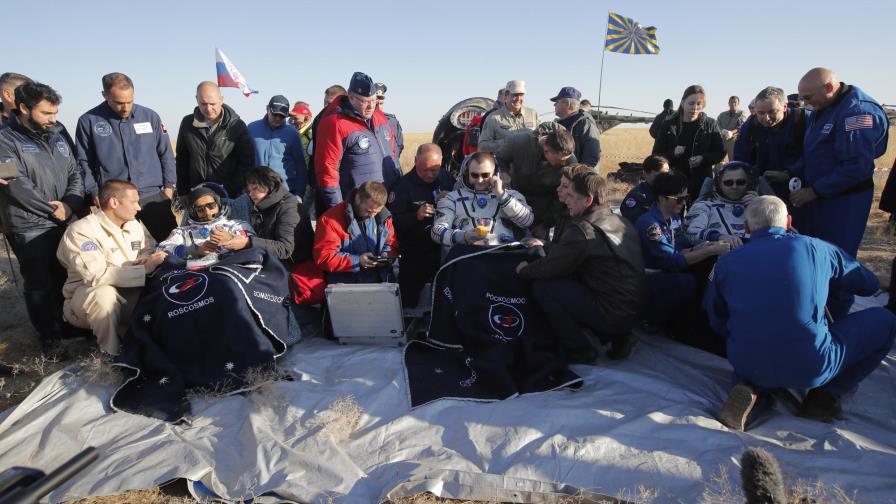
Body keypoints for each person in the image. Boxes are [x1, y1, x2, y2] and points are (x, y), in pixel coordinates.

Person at [706, 196, 896, 430]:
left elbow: (716, 316)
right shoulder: (815, 248)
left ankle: (753, 390)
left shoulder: (726, 262)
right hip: (811, 366)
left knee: (757, 349)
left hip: (745, 361)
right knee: (886, 321)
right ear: (788, 221)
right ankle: (824, 398)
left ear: (745, 228)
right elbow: (868, 285)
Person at [517, 172, 646, 362]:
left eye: (570, 196)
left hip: (613, 313)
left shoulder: (583, 229)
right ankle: (619, 337)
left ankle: (580, 349)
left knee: (544, 288)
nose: (566, 201)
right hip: (635, 310)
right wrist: (545, 244)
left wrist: (523, 270)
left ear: (588, 200)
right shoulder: (619, 221)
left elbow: (550, 268)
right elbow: (574, 253)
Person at [792, 68, 889, 318]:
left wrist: (814, 191)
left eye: (808, 97)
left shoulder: (857, 112)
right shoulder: (823, 106)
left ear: (829, 88)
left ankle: (835, 318)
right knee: (813, 254)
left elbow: (855, 167)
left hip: (844, 201)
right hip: (820, 196)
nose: (805, 103)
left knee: (837, 259)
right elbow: (816, 152)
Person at [0, 81, 85, 347]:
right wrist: (53, 210)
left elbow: (75, 173)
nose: (53, 119)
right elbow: (14, 184)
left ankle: (68, 325)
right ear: (24, 108)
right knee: (39, 283)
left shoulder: (57, 135)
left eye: (55, 113)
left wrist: (70, 205)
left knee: (64, 277)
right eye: (46, 113)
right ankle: (49, 336)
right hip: (29, 225)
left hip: (63, 218)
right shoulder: (4, 140)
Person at [56, 180, 166, 355]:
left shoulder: (133, 224)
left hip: (131, 293)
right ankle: (111, 355)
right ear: (114, 202)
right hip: (87, 299)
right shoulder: (81, 231)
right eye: (134, 202)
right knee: (103, 294)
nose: (139, 208)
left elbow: (147, 248)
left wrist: (145, 259)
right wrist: (144, 269)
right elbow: (95, 277)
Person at [75, 72, 177, 241]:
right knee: (124, 249)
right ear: (105, 95)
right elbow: (83, 162)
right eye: (119, 103)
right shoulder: (89, 122)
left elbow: (166, 153)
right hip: (115, 201)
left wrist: (168, 188)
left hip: (152, 195)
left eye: (130, 101)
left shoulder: (150, 117)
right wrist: (94, 192)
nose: (126, 107)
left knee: (172, 242)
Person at [635, 172, 729, 346]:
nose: (683, 203)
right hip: (649, 277)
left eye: (686, 198)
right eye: (679, 199)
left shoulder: (674, 217)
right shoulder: (650, 224)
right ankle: (652, 319)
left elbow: (681, 248)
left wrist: (703, 247)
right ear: (662, 198)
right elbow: (671, 260)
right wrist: (709, 250)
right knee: (686, 282)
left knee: (706, 268)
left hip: (668, 270)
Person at [314, 72, 399, 212]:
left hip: (387, 204)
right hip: (358, 208)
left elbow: (393, 154)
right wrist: (339, 211)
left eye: (374, 100)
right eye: (365, 101)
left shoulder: (380, 117)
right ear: (351, 97)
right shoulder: (335, 124)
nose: (371, 106)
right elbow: (327, 172)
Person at [387, 143, 454, 306]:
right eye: (425, 170)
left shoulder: (446, 178)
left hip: (443, 250)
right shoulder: (402, 187)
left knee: (445, 295)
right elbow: (391, 222)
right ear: (416, 161)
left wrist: (452, 197)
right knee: (408, 298)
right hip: (415, 252)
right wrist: (415, 216)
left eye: (434, 170)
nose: (430, 174)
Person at [431, 152, 533, 252]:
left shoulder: (511, 196)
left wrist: (501, 195)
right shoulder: (452, 198)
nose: (480, 180)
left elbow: (527, 221)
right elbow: (436, 231)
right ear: (467, 173)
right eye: (474, 175)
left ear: (495, 174)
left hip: (504, 254)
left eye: (485, 175)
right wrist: (463, 236)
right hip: (467, 256)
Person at [220, 166, 313, 266]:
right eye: (249, 190)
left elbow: (285, 248)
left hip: (294, 265)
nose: (251, 194)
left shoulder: (288, 208)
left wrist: (247, 243)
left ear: (269, 184)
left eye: (255, 188)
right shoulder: (261, 203)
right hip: (271, 260)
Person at [496, 123, 577, 237]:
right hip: (516, 203)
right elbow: (499, 157)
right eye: (560, 160)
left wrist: (545, 225)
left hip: (544, 208)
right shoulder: (520, 142)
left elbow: (562, 198)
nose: (564, 164)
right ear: (547, 151)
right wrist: (503, 172)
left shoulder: (570, 160)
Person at [175, 81, 254, 199]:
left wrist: (233, 190)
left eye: (212, 103)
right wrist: (183, 192)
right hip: (197, 195)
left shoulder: (237, 126)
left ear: (222, 100)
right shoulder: (187, 123)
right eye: (203, 104)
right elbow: (182, 160)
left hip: (228, 196)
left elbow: (246, 164)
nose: (208, 108)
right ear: (196, 99)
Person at [313, 180, 397, 284]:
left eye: (376, 212)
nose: (372, 216)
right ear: (358, 198)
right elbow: (324, 257)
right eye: (368, 211)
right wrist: (358, 261)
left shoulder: (384, 218)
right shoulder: (330, 221)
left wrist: (384, 257)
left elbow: (390, 243)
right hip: (347, 285)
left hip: (380, 281)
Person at [652, 85, 725, 202]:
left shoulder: (711, 124)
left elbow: (720, 153)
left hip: (701, 182)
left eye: (699, 104)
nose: (695, 108)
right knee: (674, 218)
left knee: (698, 216)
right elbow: (656, 155)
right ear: (682, 102)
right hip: (674, 182)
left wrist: (703, 158)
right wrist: (673, 154)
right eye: (691, 103)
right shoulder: (669, 125)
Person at [733, 86, 807, 200]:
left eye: (772, 112)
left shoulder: (802, 121)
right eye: (761, 113)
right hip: (761, 191)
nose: (766, 118)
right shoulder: (750, 126)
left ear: (784, 107)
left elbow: (817, 155)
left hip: (798, 191)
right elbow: (740, 157)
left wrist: (789, 174)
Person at [157, 184, 252, 262]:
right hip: (197, 276)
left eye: (211, 205)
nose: (207, 212)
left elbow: (253, 243)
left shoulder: (237, 225)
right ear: (193, 211)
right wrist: (196, 250)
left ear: (218, 204)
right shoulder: (182, 232)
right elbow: (161, 250)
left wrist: (230, 239)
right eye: (200, 209)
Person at [685, 162, 758, 247]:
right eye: (728, 183)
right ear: (719, 184)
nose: (734, 187)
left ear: (749, 184)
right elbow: (691, 232)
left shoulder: (759, 206)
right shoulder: (704, 207)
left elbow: (775, 232)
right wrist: (719, 237)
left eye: (740, 182)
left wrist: (761, 207)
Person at [248, 95, 308, 198]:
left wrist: (299, 194)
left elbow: (300, 165)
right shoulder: (251, 129)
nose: (278, 118)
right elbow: (243, 159)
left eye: (282, 116)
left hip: (285, 193)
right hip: (256, 191)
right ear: (267, 109)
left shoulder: (293, 133)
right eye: (275, 114)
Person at [478, 80, 538, 154]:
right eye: (515, 95)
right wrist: (509, 142)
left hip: (530, 162)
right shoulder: (493, 118)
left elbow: (538, 137)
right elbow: (482, 146)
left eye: (521, 95)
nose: (518, 99)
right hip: (505, 164)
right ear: (506, 95)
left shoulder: (532, 114)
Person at [550, 86, 601, 169]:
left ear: (567, 104)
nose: (554, 104)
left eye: (557, 102)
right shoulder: (558, 124)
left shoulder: (586, 124)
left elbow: (591, 158)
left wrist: (575, 177)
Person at [619, 154, 670, 223]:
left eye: (667, 175)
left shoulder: (669, 193)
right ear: (646, 173)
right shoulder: (636, 196)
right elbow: (635, 222)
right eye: (660, 175)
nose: (665, 179)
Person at [551, 163, 593, 243]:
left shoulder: (579, 217)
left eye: (565, 186)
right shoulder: (563, 209)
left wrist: (545, 244)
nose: (558, 189)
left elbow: (568, 251)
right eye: (560, 184)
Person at [375, 82, 404, 160]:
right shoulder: (365, 122)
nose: (378, 107)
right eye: (376, 104)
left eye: (381, 104)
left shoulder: (392, 122)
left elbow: (399, 145)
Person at [717, 96, 746, 161]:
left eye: (735, 102)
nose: (733, 104)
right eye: (731, 102)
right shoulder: (722, 115)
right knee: (718, 161)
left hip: (734, 141)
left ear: (738, 104)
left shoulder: (741, 114)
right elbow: (717, 125)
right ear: (728, 103)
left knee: (733, 161)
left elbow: (741, 126)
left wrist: (731, 132)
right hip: (722, 140)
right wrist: (723, 131)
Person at [289, 101, 313, 165]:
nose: (292, 121)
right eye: (291, 118)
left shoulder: (313, 134)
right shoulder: (297, 133)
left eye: (295, 118)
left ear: (306, 119)